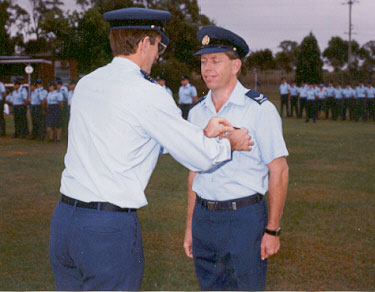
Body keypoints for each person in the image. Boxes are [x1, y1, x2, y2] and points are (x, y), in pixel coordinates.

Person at [49, 7, 253, 291]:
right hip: (106, 229)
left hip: (65, 222)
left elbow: (130, 142)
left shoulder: (87, 83)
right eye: (158, 45)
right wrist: (229, 144)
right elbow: (201, 158)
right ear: (145, 43)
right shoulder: (146, 91)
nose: (158, 55)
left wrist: (201, 133)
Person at [183, 25, 289, 291]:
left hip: (243, 218)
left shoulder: (259, 110)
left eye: (216, 60)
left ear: (236, 65)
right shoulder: (197, 113)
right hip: (204, 219)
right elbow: (194, 173)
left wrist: (272, 230)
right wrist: (189, 226)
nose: (207, 68)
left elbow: (279, 170)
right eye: (204, 61)